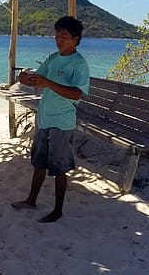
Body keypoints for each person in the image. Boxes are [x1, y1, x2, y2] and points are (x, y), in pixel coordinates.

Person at [11, 15, 90, 223]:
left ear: (76, 39)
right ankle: (31, 200)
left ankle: (58, 210)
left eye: (64, 36)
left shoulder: (79, 64)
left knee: (59, 168)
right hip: (45, 120)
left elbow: (76, 94)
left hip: (62, 124)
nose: (59, 40)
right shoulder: (54, 58)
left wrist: (49, 83)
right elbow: (39, 80)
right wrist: (26, 79)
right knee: (38, 163)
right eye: (57, 36)